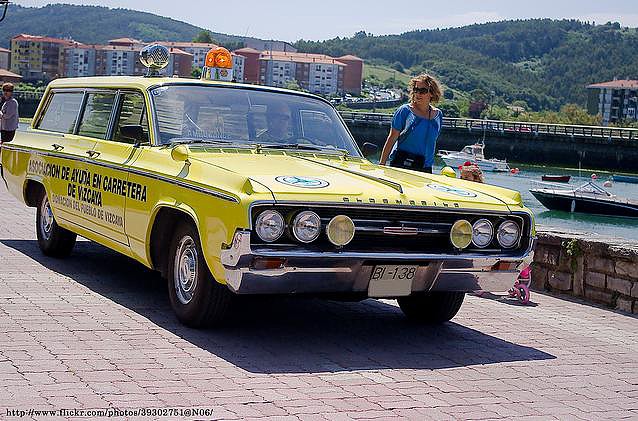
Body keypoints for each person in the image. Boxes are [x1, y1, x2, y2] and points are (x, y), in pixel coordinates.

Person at [379, 74, 443, 173]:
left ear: (432, 93)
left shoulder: (438, 115)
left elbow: (432, 142)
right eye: (416, 90)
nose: (418, 94)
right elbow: (392, 138)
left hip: (425, 169)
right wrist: (382, 165)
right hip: (401, 165)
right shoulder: (405, 111)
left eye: (423, 91)